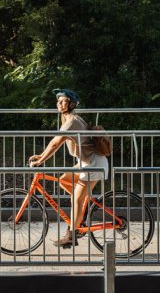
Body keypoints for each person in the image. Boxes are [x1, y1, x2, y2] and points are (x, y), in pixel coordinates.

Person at [29, 88, 109, 247]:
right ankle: (81, 212)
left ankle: (72, 235)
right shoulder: (69, 120)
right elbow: (55, 142)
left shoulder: (72, 121)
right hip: (86, 161)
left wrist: (40, 160)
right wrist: (41, 156)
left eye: (63, 100)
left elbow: (54, 144)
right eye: (58, 100)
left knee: (77, 199)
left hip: (94, 163)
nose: (59, 102)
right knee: (64, 180)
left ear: (71, 104)